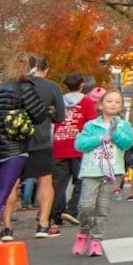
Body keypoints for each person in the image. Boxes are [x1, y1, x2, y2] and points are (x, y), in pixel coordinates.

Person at [0, 52, 52, 251]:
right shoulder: (26, 88)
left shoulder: (4, 87)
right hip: (14, 147)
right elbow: (39, 114)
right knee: (2, 193)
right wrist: (48, 111)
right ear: (31, 69)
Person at [71, 88, 133, 258]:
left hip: (113, 172)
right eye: (109, 101)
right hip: (91, 171)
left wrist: (115, 134)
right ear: (100, 104)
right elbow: (80, 144)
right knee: (86, 205)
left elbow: (127, 143)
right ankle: (83, 232)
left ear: (121, 106)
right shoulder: (91, 125)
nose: (113, 104)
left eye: (117, 102)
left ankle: (96, 240)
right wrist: (100, 138)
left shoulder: (124, 125)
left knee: (102, 208)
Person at [8, 54, 66, 239]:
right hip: (40, 139)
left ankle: (6, 227)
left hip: (14, 140)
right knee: (45, 181)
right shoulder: (52, 88)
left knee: (11, 182)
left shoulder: (13, 84)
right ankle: (42, 224)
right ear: (46, 69)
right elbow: (60, 117)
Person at [51, 72, 96, 228]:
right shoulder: (87, 102)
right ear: (82, 85)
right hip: (79, 146)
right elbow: (91, 125)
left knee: (58, 183)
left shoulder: (59, 102)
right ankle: (72, 209)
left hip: (59, 144)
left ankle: (56, 214)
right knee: (81, 180)